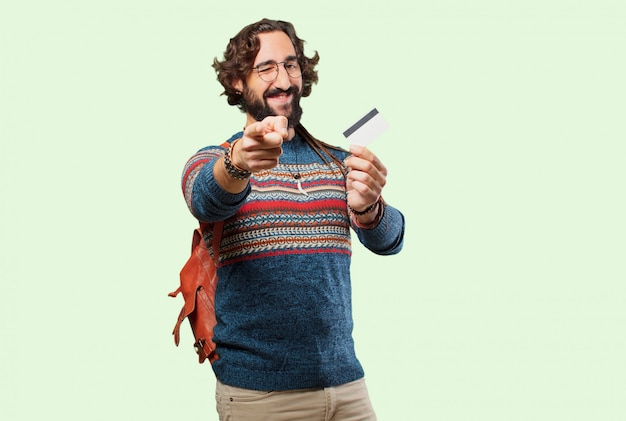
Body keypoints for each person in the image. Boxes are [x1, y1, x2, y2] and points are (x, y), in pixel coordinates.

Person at [181, 18, 405, 420]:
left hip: (347, 388)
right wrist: (238, 164)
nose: (283, 79)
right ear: (236, 82)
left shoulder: (336, 161)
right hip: (260, 396)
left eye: (291, 64)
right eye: (266, 67)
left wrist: (370, 206)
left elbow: (390, 241)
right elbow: (205, 200)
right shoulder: (212, 159)